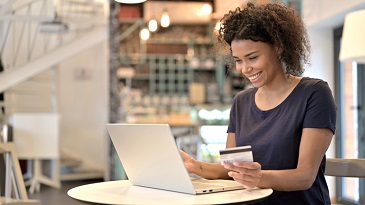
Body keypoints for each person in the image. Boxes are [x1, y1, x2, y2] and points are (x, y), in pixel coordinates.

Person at [180, 2, 337, 205]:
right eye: (238, 60)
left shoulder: (314, 94)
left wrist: (259, 177)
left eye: (252, 58)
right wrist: (194, 166)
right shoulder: (241, 102)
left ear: (279, 47)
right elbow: (232, 170)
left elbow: (304, 176)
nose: (244, 69)